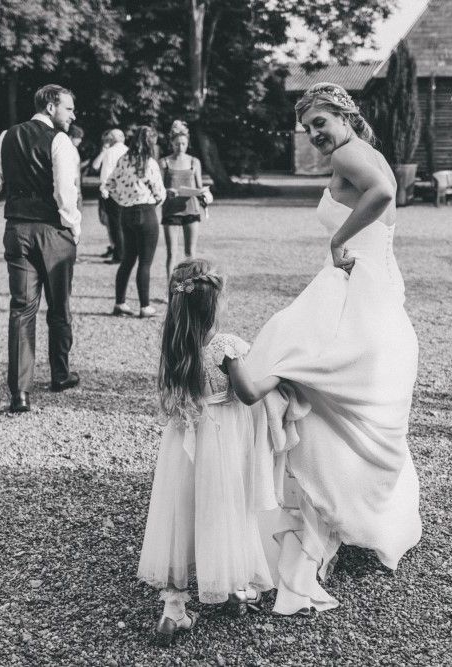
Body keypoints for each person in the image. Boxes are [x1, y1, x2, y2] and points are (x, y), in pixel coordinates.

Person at [246, 83, 422, 615]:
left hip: (356, 284)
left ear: (345, 115)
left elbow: (382, 197)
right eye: (307, 129)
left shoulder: (351, 152)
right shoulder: (365, 151)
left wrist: (337, 239)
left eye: (320, 122)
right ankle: (335, 515)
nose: (315, 135)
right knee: (332, 394)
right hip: (372, 286)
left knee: (302, 377)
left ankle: (315, 520)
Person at [137, 258, 278, 645]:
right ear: (214, 303)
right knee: (226, 507)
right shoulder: (225, 345)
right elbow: (249, 394)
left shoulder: (175, 342)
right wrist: (277, 377)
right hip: (221, 438)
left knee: (180, 516)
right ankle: (234, 588)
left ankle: (173, 609)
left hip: (183, 440)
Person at [0, 83, 82, 414]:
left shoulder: (7, 136)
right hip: (53, 231)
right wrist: (74, 228)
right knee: (59, 306)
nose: (73, 115)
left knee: (22, 309)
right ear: (51, 106)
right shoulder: (60, 141)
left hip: (17, 229)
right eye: (68, 108)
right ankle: (60, 374)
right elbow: (65, 192)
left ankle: (20, 392)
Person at [106, 126, 166, 318]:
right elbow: (159, 192)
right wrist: (157, 200)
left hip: (126, 212)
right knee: (145, 262)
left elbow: (108, 185)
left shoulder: (123, 160)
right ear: (150, 143)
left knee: (127, 260)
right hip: (146, 211)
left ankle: (120, 302)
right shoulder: (149, 162)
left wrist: (121, 200)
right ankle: (145, 306)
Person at [159, 120, 207, 279]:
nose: (180, 147)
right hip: (171, 210)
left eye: (183, 144)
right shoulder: (165, 162)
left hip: (191, 210)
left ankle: (190, 287)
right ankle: (170, 288)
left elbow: (200, 187)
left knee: (190, 253)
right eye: (177, 144)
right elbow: (158, 188)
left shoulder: (194, 162)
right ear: (171, 143)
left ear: (188, 144)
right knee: (172, 252)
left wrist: (205, 194)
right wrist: (167, 191)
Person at [97, 128, 128, 264]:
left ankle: (119, 255)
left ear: (112, 139)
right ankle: (127, 252)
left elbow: (106, 172)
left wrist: (104, 189)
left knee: (115, 225)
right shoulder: (128, 151)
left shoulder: (110, 152)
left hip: (114, 192)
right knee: (125, 224)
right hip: (128, 192)